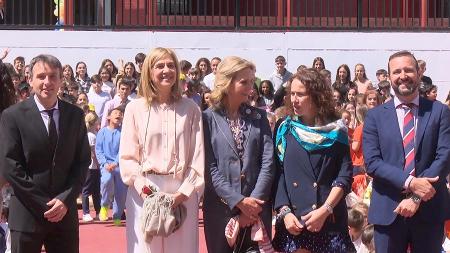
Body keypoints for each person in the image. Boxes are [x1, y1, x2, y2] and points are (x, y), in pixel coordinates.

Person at [0, 54, 90, 253]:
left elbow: (82, 162)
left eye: (52, 76)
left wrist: (65, 200)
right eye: (41, 76)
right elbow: (10, 165)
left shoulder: (75, 115)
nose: (47, 82)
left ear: (61, 80)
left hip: (64, 215)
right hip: (26, 214)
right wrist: (45, 204)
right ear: (30, 79)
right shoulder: (12, 116)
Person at [363, 50, 450, 253]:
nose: (403, 76)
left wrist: (416, 197)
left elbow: (444, 158)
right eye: (397, 71)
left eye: (409, 70)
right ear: (389, 76)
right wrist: (410, 182)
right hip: (388, 211)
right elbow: (373, 162)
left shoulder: (440, 112)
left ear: (419, 74)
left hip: (429, 210)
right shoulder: (375, 116)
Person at [119, 47, 204, 253]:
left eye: (171, 65)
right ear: (149, 71)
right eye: (160, 66)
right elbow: (128, 157)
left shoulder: (191, 108)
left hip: (182, 189)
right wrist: (145, 190)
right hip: (145, 190)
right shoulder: (134, 108)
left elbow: (198, 156)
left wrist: (182, 195)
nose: (167, 70)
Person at [272, 69, 355, 253]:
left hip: (329, 220)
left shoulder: (336, 130)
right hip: (294, 222)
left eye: (300, 94)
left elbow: (344, 175)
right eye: (292, 93)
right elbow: (279, 174)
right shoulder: (284, 128)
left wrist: (325, 210)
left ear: (317, 96)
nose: (294, 99)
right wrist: (284, 213)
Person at [202, 56, 274, 253]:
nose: (251, 88)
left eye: (252, 81)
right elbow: (209, 169)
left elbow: (268, 163)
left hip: (257, 209)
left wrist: (253, 204)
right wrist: (239, 201)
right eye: (244, 82)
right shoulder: (206, 119)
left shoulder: (259, 118)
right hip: (220, 210)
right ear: (227, 82)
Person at [96, 106, 127, 225]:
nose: (118, 115)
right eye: (115, 113)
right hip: (106, 166)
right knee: (106, 180)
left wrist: (116, 162)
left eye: (120, 113)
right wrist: (105, 163)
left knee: (121, 192)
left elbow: (124, 148)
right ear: (109, 116)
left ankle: (117, 216)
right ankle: (104, 205)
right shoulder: (102, 132)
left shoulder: (123, 132)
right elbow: (98, 150)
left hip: (119, 165)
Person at [81, 111, 101, 222]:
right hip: (91, 167)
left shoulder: (94, 134)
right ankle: (86, 213)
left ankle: (98, 212)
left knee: (96, 191)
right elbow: (93, 153)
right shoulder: (91, 136)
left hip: (94, 168)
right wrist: (99, 164)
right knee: (87, 190)